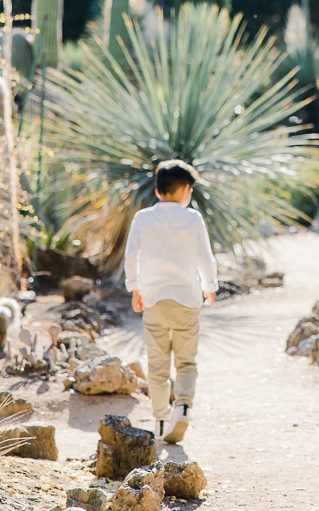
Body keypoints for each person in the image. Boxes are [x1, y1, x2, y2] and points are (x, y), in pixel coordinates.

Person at [124, 159, 218, 444]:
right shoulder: (192, 219)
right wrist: (210, 286)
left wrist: (135, 288)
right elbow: (204, 256)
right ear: (186, 190)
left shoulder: (143, 218)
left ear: (157, 190)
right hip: (187, 300)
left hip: (154, 300)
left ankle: (161, 418)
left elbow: (131, 256)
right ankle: (183, 407)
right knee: (186, 362)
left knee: (157, 364)